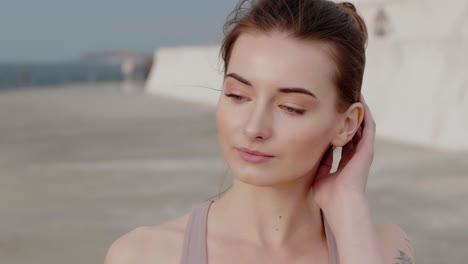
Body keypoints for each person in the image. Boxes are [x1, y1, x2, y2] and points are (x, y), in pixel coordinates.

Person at [104, 0, 415, 263]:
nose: (254, 127)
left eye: (291, 107)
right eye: (237, 96)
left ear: (347, 125)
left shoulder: (384, 248)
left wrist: (349, 208)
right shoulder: (144, 255)